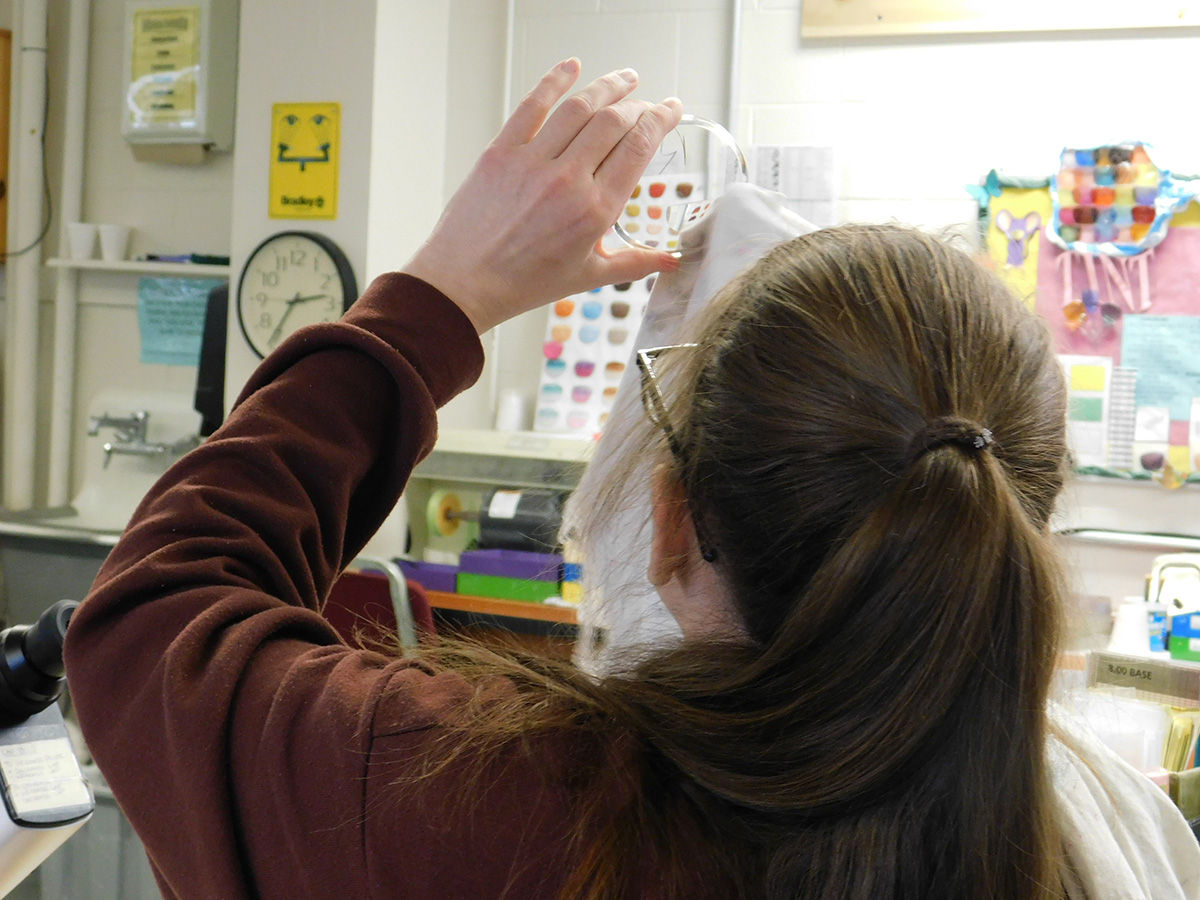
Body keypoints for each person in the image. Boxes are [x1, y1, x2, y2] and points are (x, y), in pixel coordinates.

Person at [63, 59, 1200, 900]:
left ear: (668, 526)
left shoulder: (495, 808)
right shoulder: (1129, 838)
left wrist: (439, 303)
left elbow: (148, 635)